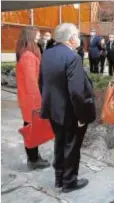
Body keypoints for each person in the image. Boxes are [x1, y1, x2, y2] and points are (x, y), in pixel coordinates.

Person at [39, 23, 96, 193]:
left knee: (60, 143)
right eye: (77, 35)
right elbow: (77, 92)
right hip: (69, 112)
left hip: (53, 109)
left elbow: (42, 83)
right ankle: (69, 182)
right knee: (71, 147)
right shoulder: (73, 58)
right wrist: (82, 116)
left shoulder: (47, 54)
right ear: (71, 39)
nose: (79, 38)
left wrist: (48, 103)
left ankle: (59, 179)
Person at [15, 26, 51, 170]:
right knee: (31, 129)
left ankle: (34, 156)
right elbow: (31, 82)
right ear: (29, 37)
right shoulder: (28, 56)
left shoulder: (26, 53)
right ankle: (33, 159)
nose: (38, 38)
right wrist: (39, 103)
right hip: (31, 99)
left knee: (31, 128)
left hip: (28, 98)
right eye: (36, 36)